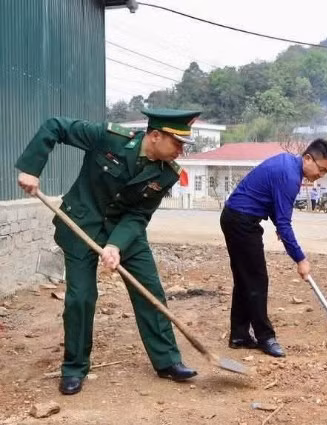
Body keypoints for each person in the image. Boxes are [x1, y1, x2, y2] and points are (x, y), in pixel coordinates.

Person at [15, 108, 202, 395]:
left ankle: (167, 361)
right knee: (81, 297)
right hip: (81, 222)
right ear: (155, 136)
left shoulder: (168, 174)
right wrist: (31, 168)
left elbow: (138, 216)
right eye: (177, 143)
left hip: (126, 232)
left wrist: (115, 245)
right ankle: (74, 368)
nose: (181, 151)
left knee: (150, 291)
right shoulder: (108, 137)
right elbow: (56, 126)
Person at [220, 139, 327, 357]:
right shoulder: (290, 177)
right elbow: (284, 223)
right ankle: (266, 337)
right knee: (256, 280)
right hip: (241, 222)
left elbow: (276, 209)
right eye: (321, 169)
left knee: (245, 279)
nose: (320, 175)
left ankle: (239, 335)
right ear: (308, 158)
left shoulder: (287, 164)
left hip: (236, 218)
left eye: (325, 172)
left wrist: (279, 224)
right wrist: (300, 259)